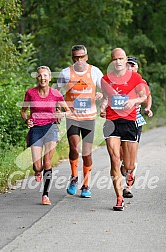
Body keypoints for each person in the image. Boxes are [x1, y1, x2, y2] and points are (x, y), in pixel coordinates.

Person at [100, 48, 147, 211]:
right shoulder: (105, 79)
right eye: (115, 59)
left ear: (125, 60)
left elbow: (143, 96)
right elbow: (106, 97)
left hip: (129, 122)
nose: (118, 62)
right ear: (111, 61)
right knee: (114, 159)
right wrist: (103, 106)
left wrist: (133, 101)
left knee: (128, 165)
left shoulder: (135, 77)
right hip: (112, 121)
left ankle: (128, 172)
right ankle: (119, 198)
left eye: (121, 59)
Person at [57, 45, 103, 198]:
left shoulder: (95, 72)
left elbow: (105, 89)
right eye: (75, 57)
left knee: (87, 153)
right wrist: (58, 109)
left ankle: (86, 184)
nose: (79, 60)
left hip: (89, 118)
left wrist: (101, 96)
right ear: (72, 58)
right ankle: (74, 177)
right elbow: (56, 94)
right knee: (74, 148)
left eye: (81, 57)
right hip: (72, 117)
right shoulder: (65, 73)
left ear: (86, 57)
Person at [21, 66, 70, 205]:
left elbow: (68, 111)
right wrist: (27, 120)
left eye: (45, 76)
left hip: (51, 128)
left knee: (47, 162)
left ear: (49, 78)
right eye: (40, 76)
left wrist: (62, 114)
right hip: (36, 129)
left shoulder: (55, 94)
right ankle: (38, 171)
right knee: (38, 166)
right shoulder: (30, 93)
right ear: (36, 78)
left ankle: (45, 194)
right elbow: (23, 111)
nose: (42, 78)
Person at [121, 56, 153, 198]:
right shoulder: (118, 81)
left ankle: (128, 185)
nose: (129, 68)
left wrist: (148, 108)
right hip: (118, 120)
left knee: (132, 153)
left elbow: (148, 95)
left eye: (132, 65)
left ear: (136, 68)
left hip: (134, 120)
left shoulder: (141, 82)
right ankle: (124, 165)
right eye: (127, 65)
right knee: (121, 153)